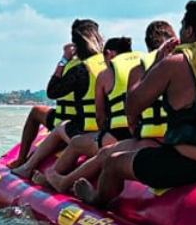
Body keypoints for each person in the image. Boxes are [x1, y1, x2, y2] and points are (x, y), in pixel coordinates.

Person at [73, 0, 196, 208]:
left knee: (112, 162)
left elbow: (133, 106)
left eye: (182, 26)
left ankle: (96, 200)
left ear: (190, 31)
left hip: (194, 164)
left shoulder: (176, 62)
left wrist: (157, 62)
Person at [47, 20, 175, 194]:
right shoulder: (184, 66)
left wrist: (63, 60)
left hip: (138, 138)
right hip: (177, 140)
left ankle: (56, 179)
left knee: (102, 153)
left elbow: (54, 92)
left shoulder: (108, 72)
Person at [42, 37, 139, 190]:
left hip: (119, 135)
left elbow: (100, 116)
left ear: (109, 54)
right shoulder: (146, 68)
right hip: (144, 134)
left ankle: (55, 180)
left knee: (78, 144)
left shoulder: (105, 75)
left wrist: (101, 133)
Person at [14, 19, 105, 179]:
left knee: (58, 126)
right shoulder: (111, 64)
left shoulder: (79, 68)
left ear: (76, 44)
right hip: (108, 130)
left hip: (82, 129)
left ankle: (26, 165)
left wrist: (64, 60)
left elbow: (52, 91)